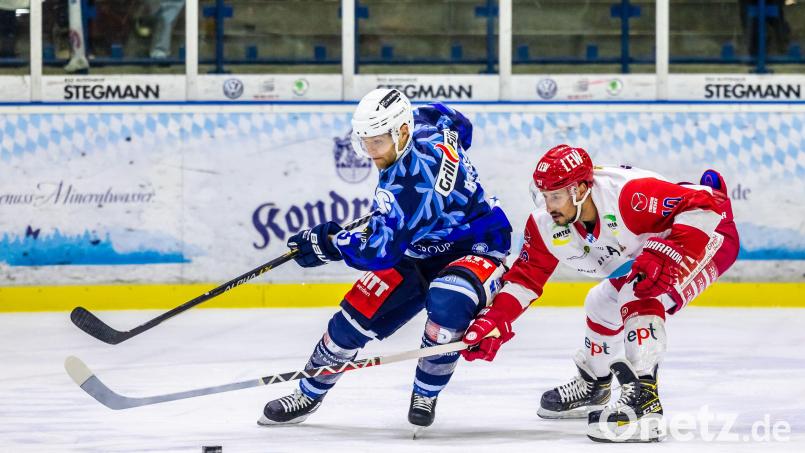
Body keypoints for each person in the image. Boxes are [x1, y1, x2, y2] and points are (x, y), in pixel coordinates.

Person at [258, 88, 512, 433]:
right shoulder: (431, 122)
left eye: (377, 142)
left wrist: (329, 243)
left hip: (475, 245)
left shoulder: (407, 187)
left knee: (448, 300)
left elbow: (379, 251)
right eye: (365, 141)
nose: (369, 152)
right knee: (351, 319)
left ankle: (426, 392)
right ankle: (308, 392)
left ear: (402, 132)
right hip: (416, 248)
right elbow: (459, 124)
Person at [461, 144, 739, 442]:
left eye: (556, 196)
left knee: (638, 291)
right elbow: (525, 280)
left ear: (581, 190)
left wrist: (668, 254)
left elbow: (708, 202)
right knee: (600, 303)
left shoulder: (629, 196)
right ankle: (595, 382)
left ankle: (645, 401)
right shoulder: (546, 224)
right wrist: (493, 321)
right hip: (654, 250)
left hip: (709, 237)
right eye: (544, 195)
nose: (548, 204)